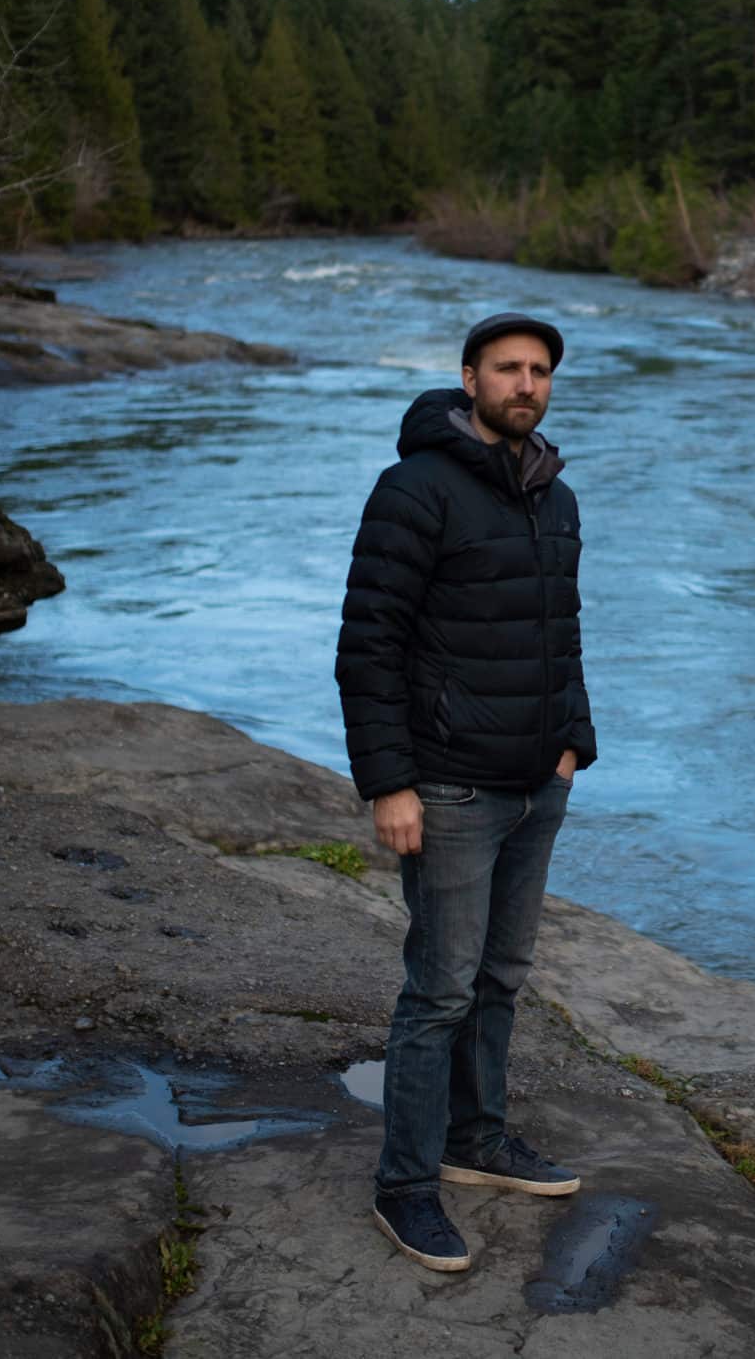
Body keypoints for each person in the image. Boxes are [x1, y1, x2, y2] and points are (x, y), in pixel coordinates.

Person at [335, 311, 597, 1274]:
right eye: (508, 368)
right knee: (440, 988)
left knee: (500, 976)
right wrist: (390, 783)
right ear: (469, 378)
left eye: (540, 370)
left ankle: (476, 1139)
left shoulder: (554, 494)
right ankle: (405, 1184)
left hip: (535, 784)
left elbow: (561, 631)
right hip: (448, 787)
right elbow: (369, 644)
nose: (526, 384)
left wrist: (573, 742)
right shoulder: (415, 488)